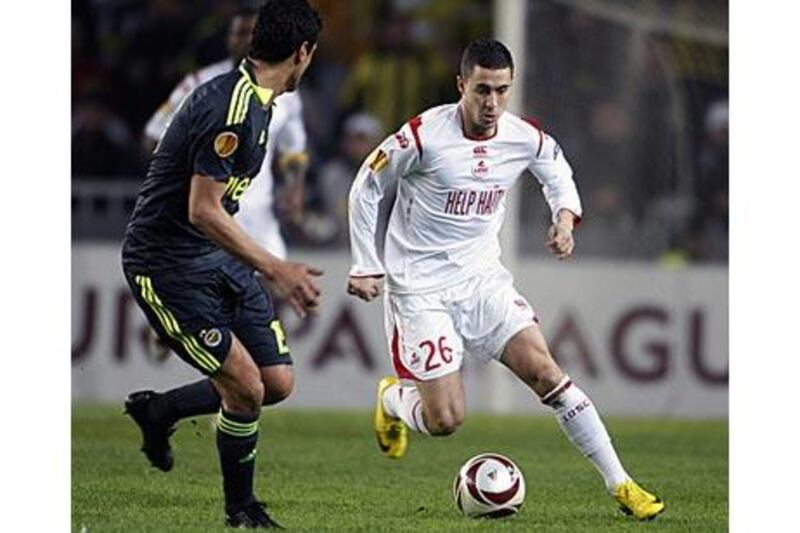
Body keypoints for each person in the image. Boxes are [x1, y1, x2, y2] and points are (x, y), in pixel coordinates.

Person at [347, 38, 665, 521]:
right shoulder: (422, 137)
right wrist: (364, 262)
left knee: (546, 373)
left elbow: (558, 172)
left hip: (482, 281)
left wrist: (563, 220)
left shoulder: (523, 137)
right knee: (445, 420)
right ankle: (393, 398)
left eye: (501, 90)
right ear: (461, 86)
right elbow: (366, 187)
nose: (492, 102)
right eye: (482, 90)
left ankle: (621, 484)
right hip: (420, 289)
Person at [121, 1, 323, 528]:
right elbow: (202, 209)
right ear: (303, 53)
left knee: (275, 382)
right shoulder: (230, 108)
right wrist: (277, 268)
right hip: (164, 263)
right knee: (246, 388)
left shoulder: (260, 99)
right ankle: (241, 510)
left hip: (214, 255)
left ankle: (159, 410)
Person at [143, 6, 309, 263]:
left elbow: (293, 151)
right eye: (239, 33)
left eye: (252, 33)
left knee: (278, 287)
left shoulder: (286, 92)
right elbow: (153, 135)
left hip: (258, 214)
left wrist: (294, 190)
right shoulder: (198, 83)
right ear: (228, 39)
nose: (246, 40)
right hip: (205, 212)